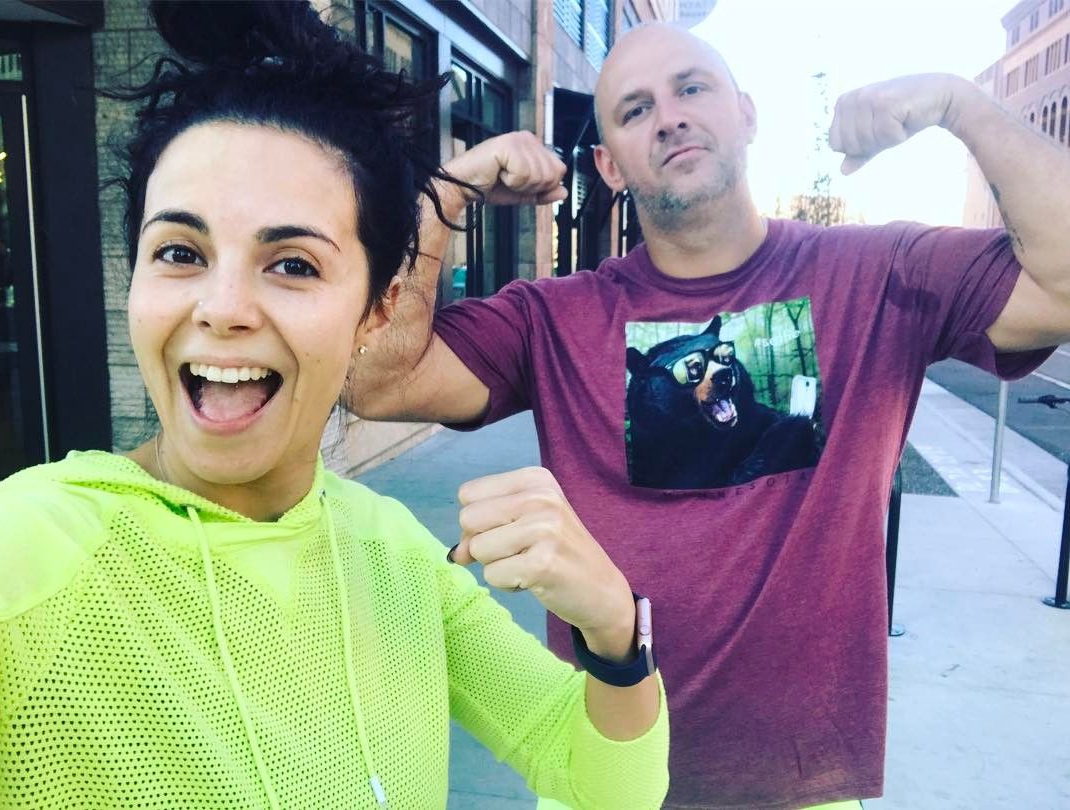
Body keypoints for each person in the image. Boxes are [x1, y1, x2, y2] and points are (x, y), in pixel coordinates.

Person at [346, 21, 1070, 810]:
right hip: (607, 773)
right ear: (608, 165)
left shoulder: (879, 275)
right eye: (635, 110)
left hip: (801, 785)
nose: (670, 117)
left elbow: (1059, 288)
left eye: (692, 88)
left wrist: (961, 105)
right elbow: (375, 380)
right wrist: (447, 192)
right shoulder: (554, 319)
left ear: (746, 113)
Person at [0, 4, 670, 808]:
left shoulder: (397, 556)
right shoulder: (24, 552)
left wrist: (615, 632)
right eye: (179, 252)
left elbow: (602, 780)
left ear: (377, 311)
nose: (223, 307)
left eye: (293, 265)